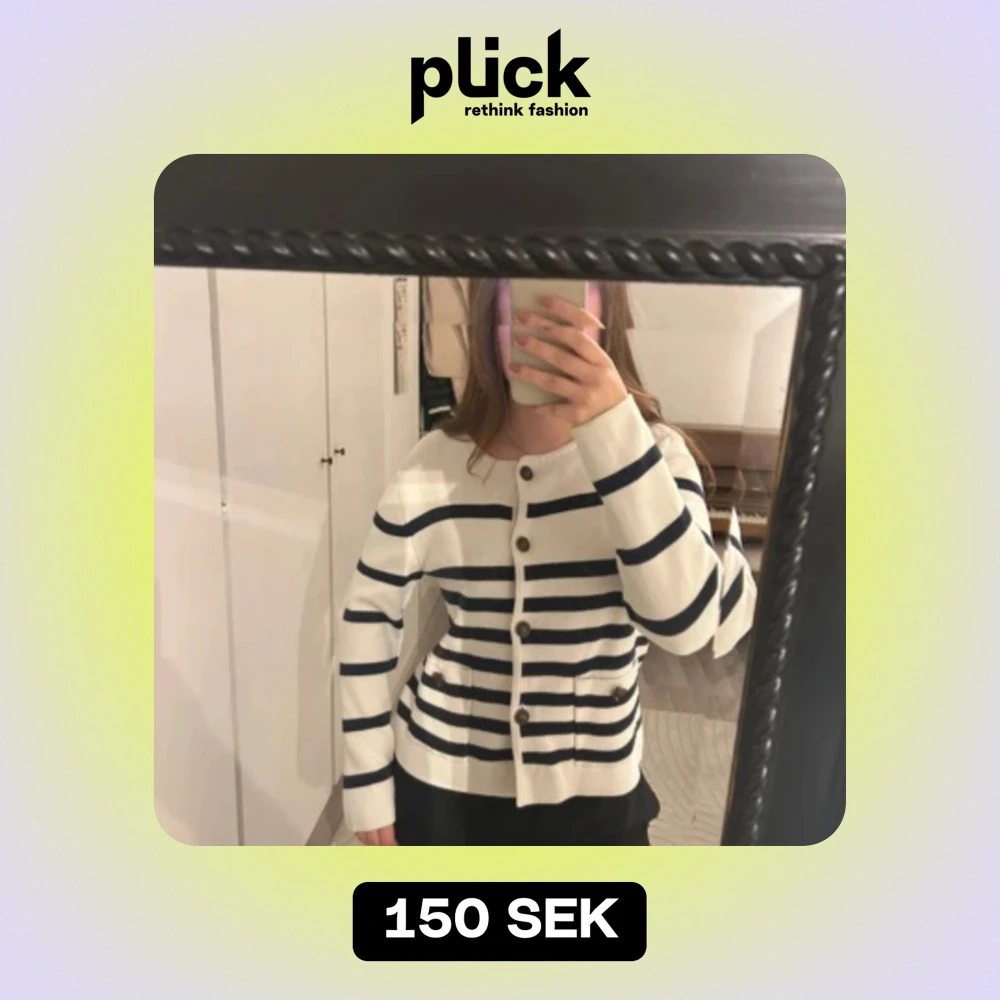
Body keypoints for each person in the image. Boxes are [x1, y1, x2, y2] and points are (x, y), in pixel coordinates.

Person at [337, 279, 756, 846]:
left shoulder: (654, 456)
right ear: (488, 314)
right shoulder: (436, 462)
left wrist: (613, 429)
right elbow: (368, 613)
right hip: (440, 780)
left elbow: (684, 627)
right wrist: (366, 779)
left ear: (607, 312)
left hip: (597, 792)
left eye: (570, 293)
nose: (544, 321)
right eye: (523, 293)